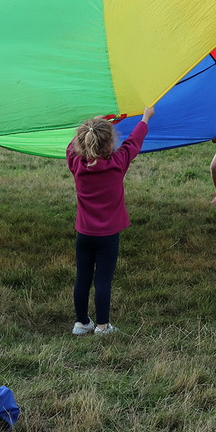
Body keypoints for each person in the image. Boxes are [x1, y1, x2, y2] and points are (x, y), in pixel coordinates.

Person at [67, 106, 154, 336]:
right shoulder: (117, 162)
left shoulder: (76, 163)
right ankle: (103, 326)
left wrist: (92, 123)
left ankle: (81, 323)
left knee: (83, 277)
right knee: (103, 279)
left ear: (81, 142)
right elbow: (134, 142)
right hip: (108, 236)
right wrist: (144, 118)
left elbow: (71, 147)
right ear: (109, 144)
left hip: (84, 234)